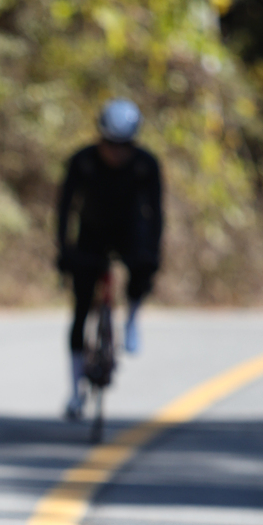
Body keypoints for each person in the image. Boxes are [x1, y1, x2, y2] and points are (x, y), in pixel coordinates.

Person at [54, 98, 163, 418]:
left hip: (130, 232)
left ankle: (131, 319)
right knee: (80, 311)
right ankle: (76, 393)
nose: (116, 152)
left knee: (142, 268)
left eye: (124, 145)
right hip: (91, 233)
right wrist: (64, 250)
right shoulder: (82, 161)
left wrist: (154, 253)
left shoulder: (146, 164)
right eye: (110, 144)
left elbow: (156, 213)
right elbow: (64, 208)